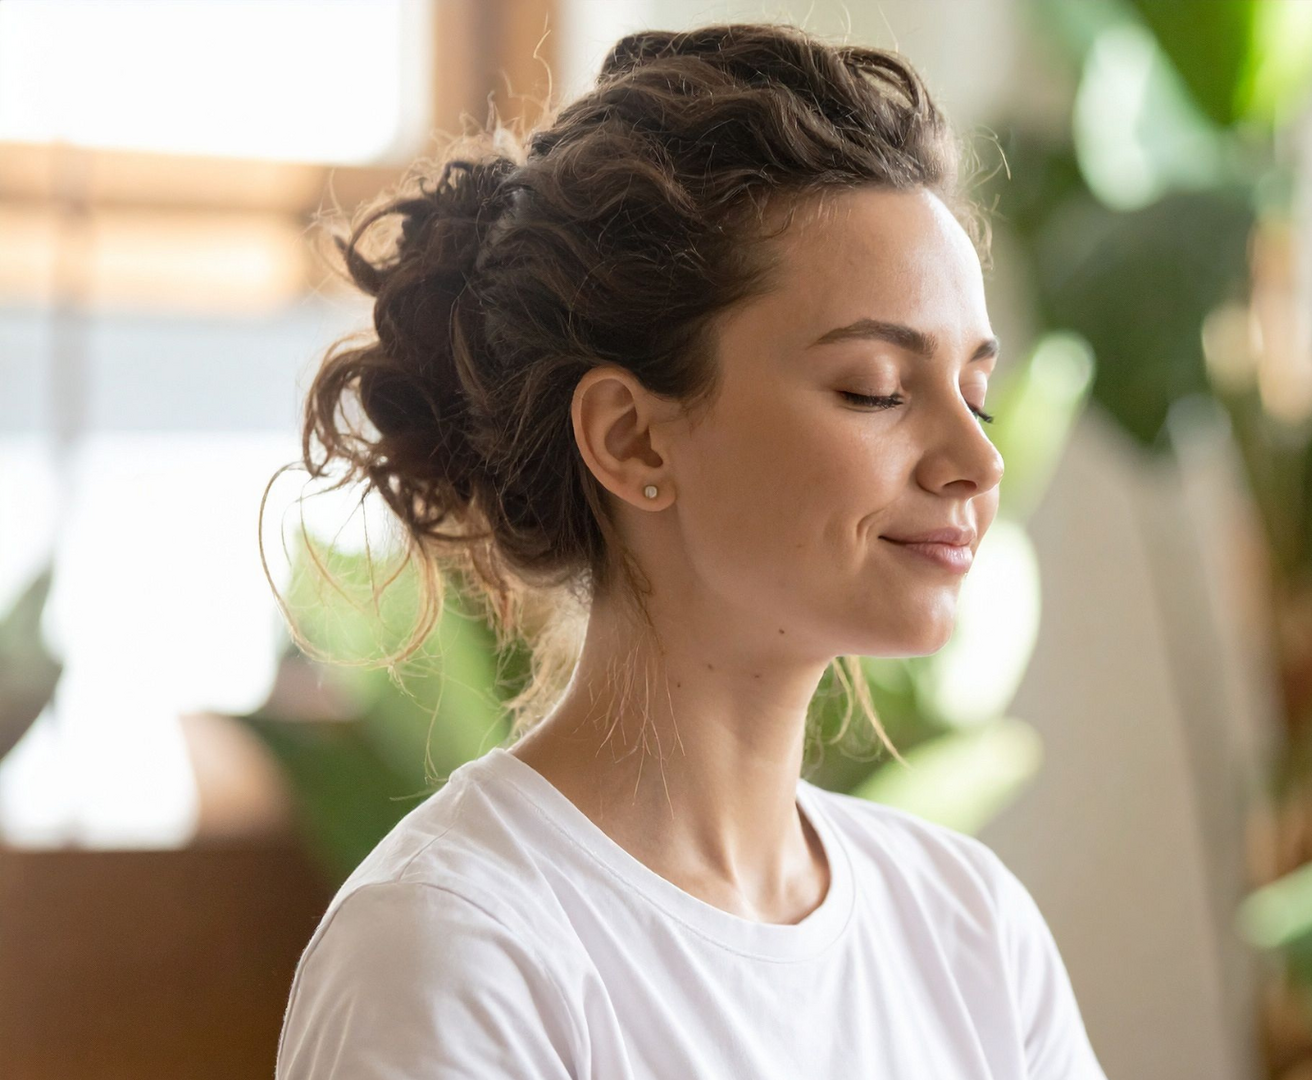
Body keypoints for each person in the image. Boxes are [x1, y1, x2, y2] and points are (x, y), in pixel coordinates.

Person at [270, 20, 1108, 1080]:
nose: (976, 463)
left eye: (975, 394)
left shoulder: (972, 932)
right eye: (877, 391)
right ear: (631, 436)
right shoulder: (456, 949)